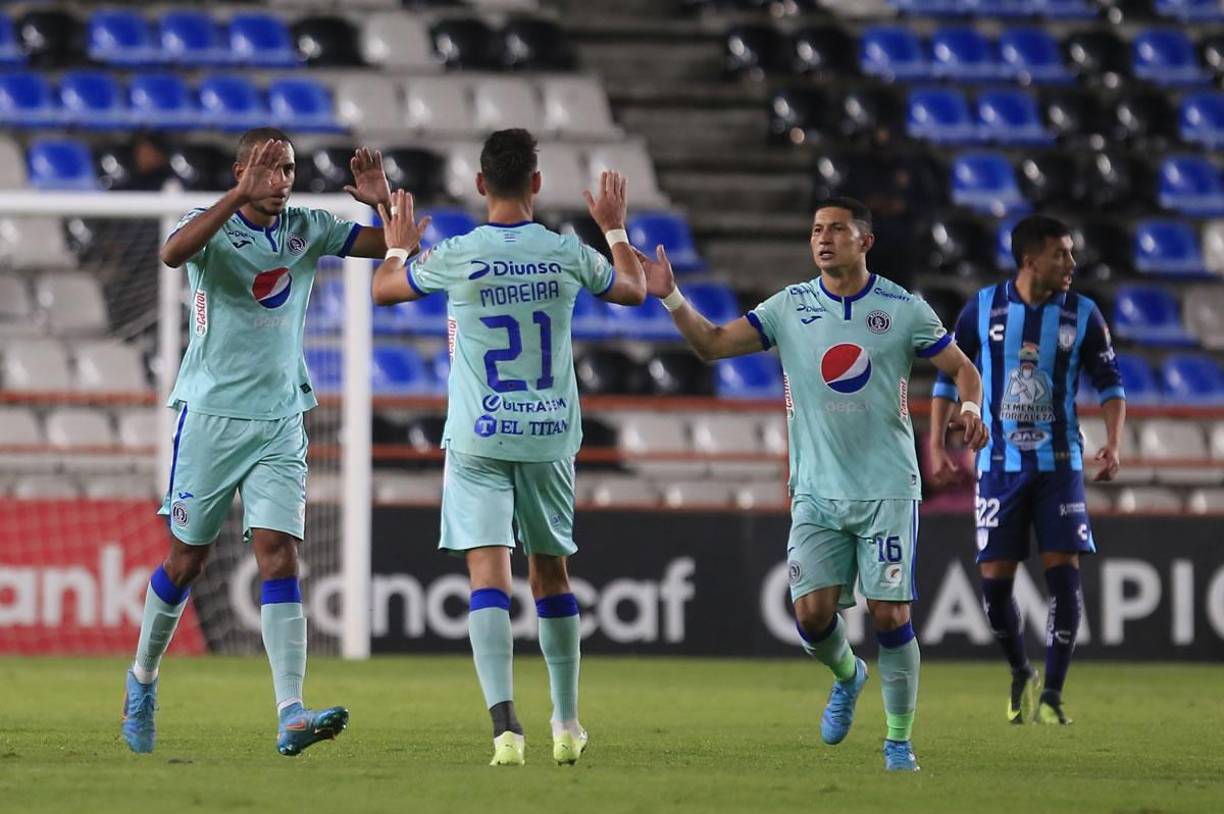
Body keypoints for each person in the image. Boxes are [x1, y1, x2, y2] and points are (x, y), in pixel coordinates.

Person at [636, 196, 988, 772]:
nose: (823, 239)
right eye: (816, 230)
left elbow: (963, 369)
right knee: (812, 618)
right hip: (817, 492)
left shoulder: (903, 308)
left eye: (837, 229)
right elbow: (712, 345)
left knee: (891, 617)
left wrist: (972, 409)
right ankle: (848, 675)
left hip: (887, 488)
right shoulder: (789, 307)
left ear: (864, 241)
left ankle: (898, 743)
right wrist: (672, 296)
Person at [370, 128, 647, 767]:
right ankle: (567, 722)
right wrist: (615, 230)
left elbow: (385, 290)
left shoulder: (460, 253)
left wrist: (396, 248)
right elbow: (633, 291)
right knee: (550, 573)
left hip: (479, 437)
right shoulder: (564, 250)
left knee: (486, 577)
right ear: (538, 184)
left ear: (478, 184)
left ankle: (505, 728)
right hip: (548, 435)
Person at [122, 127, 396, 757]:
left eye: (289, 170)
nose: (282, 181)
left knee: (279, 554)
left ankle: (290, 711)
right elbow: (171, 253)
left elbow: (392, 245)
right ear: (243, 171)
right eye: (269, 171)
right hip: (211, 417)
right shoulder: (208, 223)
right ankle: (141, 679)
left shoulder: (309, 228)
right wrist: (233, 196)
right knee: (186, 561)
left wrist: (381, 202)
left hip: (280, 418)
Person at [928, 214, 1125, 727]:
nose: (1071, 264)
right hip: (997, 466)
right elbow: (950, 375)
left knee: (1064, 579)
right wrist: (935, 445)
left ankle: (1054, 693)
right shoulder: (984, 307)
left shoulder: (1083, 313)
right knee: (995, 590)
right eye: (1061, 254)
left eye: (1072, 254)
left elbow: (1110, 383)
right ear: (1030, 259)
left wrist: (1113, 445)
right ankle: (1020, 670)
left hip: (1060, 464)